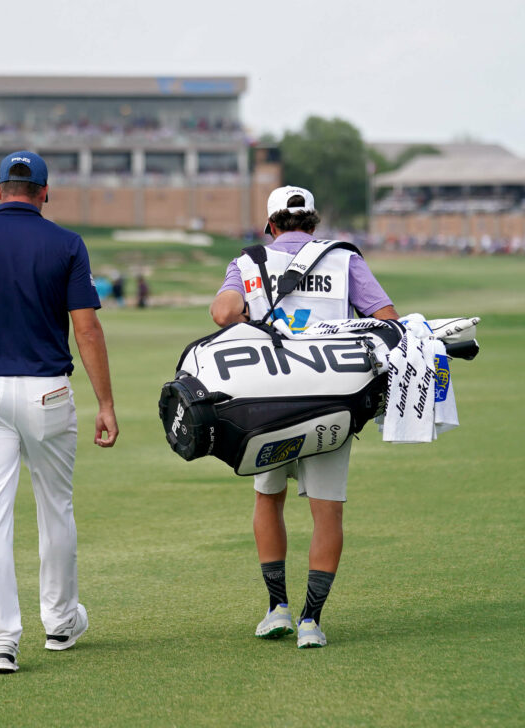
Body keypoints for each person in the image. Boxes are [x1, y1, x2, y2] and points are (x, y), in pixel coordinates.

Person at [0, 150, 119, 674]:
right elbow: (87, 329)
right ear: (44, 192)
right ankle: (60, 623)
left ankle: (2, 640)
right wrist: (106, 403)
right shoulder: (66, 244)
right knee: (54, 507)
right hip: (48, 393)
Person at [209, 185, 399, 649]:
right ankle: (312, 621)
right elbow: (388, 319)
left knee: (268, 500)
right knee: (327, 513)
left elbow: (222, 313)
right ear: (314, 224)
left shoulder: (250, 261)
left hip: (269, 403)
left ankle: (278, 609)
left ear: (270, 225)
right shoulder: (343, 258)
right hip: (331, 403)